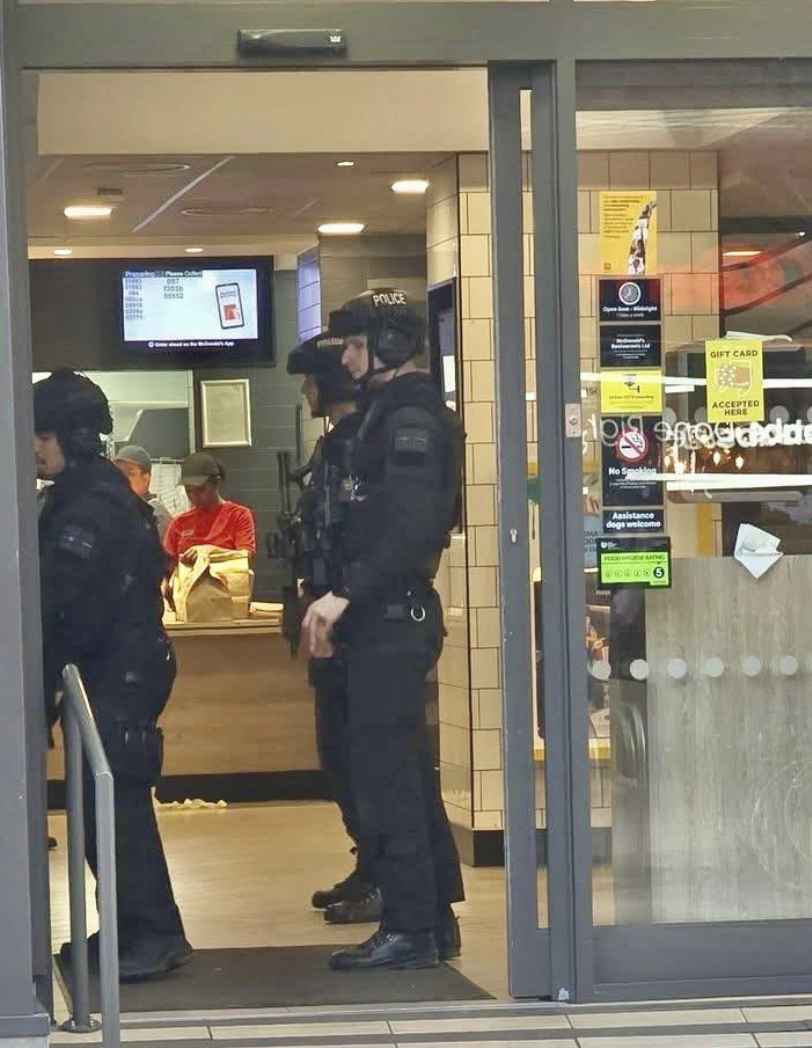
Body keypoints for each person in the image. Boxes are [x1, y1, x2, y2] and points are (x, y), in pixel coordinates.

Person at [302, 288, 466, 972]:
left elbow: (412, 528)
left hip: (391, 618)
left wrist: (343, 594)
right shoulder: (382, 417)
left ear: (391, 347)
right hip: (381, 616)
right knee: (399, 774)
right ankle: (430, 917)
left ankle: (409, 929)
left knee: (386, 779)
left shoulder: (412, 423)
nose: (345, 356)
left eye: (357, 343)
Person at [35, 369, 191, 982]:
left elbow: (64, 596)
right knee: (107, 805)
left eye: (43, 434)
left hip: (118, 672)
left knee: (117, 805)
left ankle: (150, 935)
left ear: (74, 436)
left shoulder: (91, 503)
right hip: (112, 669)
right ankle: (132, 927)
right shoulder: (84, 493)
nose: (35, 446)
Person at [284, 331, 380, 926]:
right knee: (337, 756)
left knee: (361, 759)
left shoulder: (361, 446)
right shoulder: (335, 445)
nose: (304, 390)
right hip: (330, 622)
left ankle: (383, 874)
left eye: (311, 379)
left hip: (357, 624)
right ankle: (368, 863)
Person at [163, 452, 256, 561]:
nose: (194, 496)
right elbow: (165, 565)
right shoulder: (179, 523)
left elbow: (245, 556)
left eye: (200, 489)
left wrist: (210, 551)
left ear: (215, 484)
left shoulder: (238, 515)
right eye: (189, 490)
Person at [114, 445, 173, 543]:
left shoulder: (157, 517)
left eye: (129, 473)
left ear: (146, 478)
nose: (122, 478)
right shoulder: (117, 511)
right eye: (119, 473)